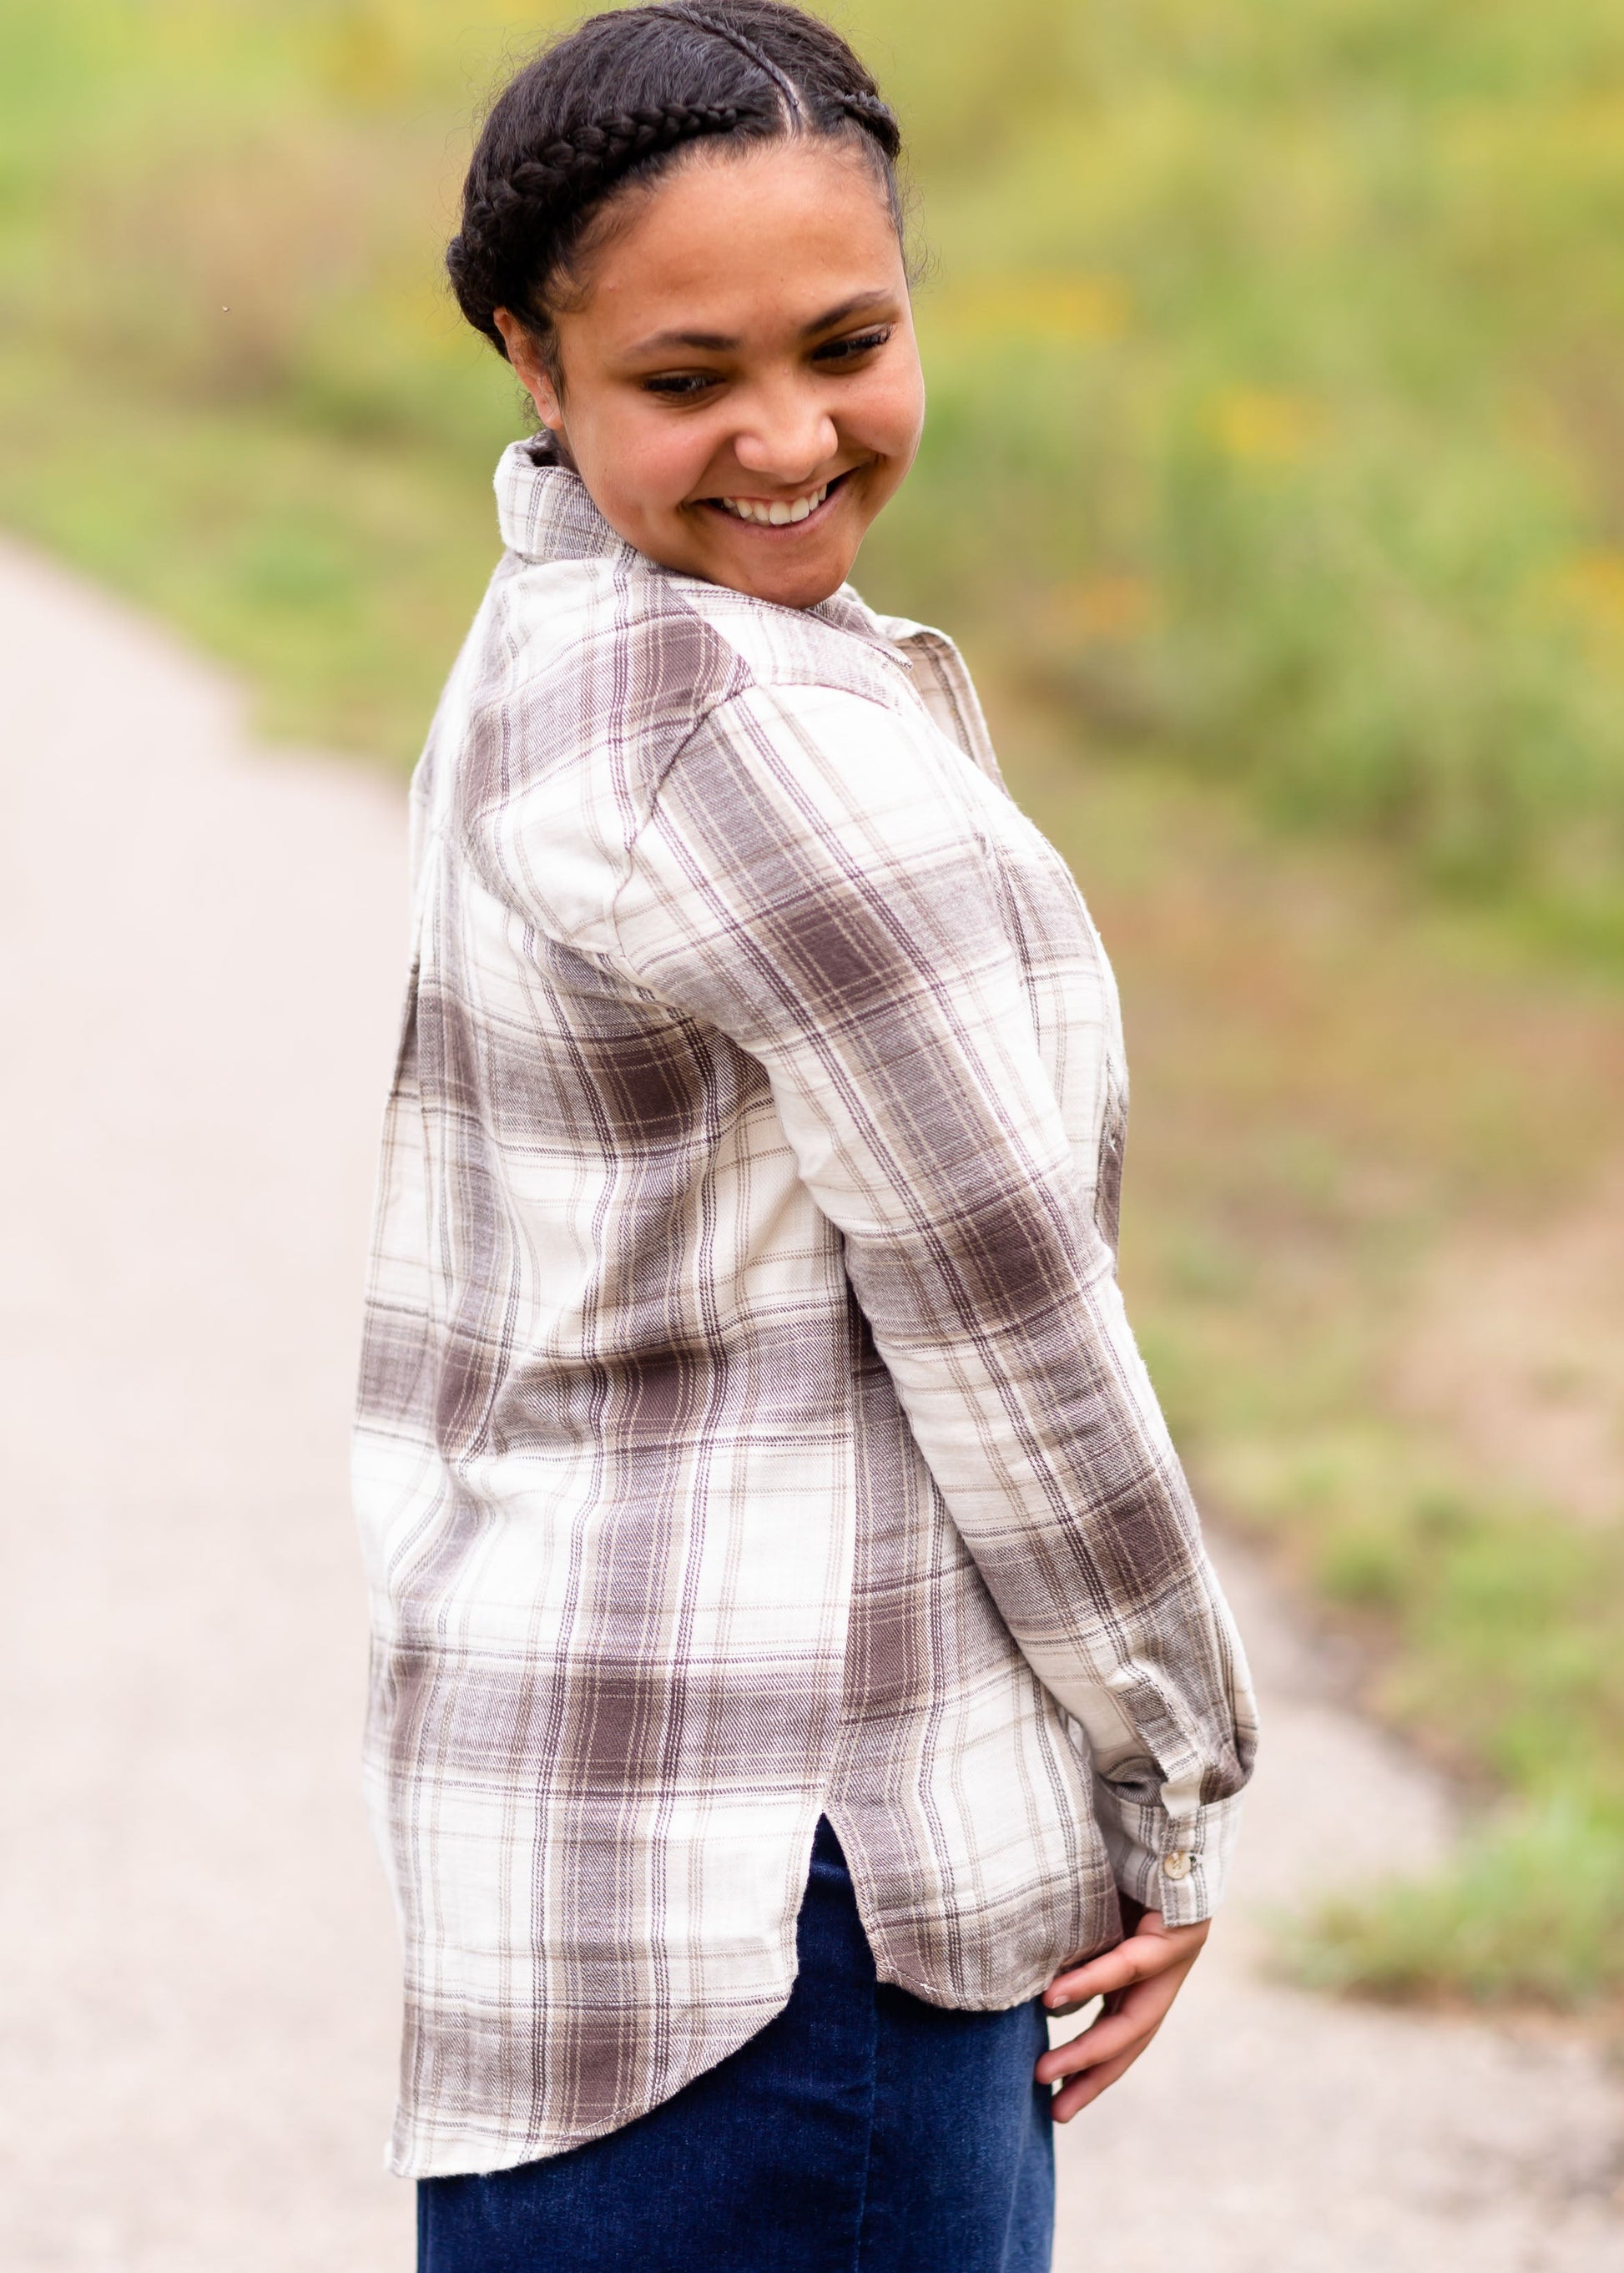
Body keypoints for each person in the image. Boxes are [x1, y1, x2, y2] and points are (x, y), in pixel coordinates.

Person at [352, 6, 1258, 2266]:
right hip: (802, 1905)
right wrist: (1169, 1782)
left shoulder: (556, 637)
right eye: (686, 381)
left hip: (583, 1864)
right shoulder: (733, 747)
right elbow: (1012, 1322)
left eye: (847, 341)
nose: (787, 436)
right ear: (525, 358)